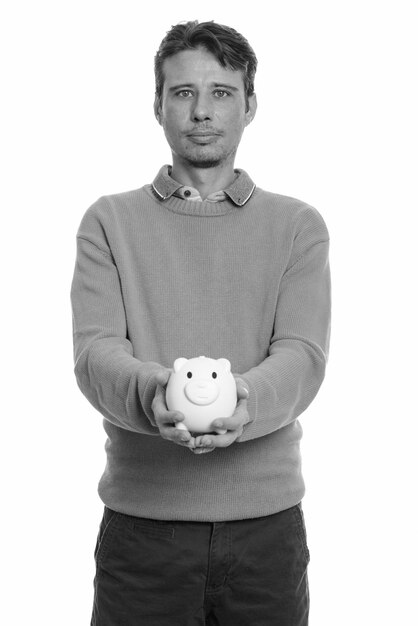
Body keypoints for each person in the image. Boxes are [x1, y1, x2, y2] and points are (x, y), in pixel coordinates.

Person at [70, 20, 331, 626]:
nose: (202, 111)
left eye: (221, 92)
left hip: (267, 534)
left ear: (250, 105)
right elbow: (95, 353)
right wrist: (157, 390)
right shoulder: (109, 222)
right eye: (184, 93)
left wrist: (244, 398)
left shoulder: (297, 227)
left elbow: (302, 355)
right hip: (144, 535)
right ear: (157, 105)